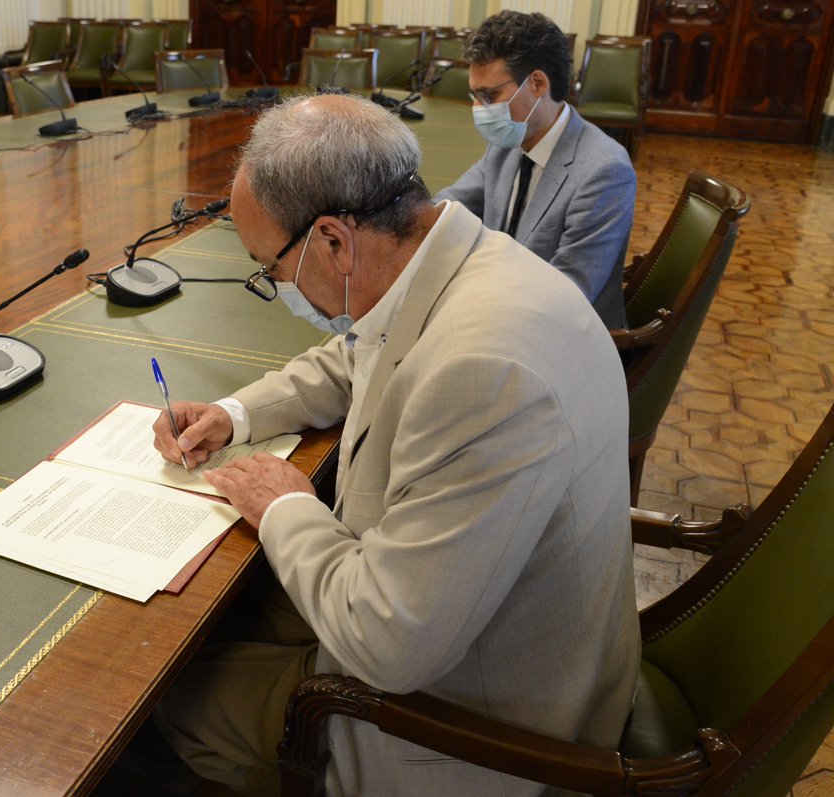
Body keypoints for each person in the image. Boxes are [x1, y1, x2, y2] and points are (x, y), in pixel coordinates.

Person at [146, 93, 640, 796]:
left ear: (333, 241)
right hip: (481, 622)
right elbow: (356, 356)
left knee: (158, 695)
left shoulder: (483, 372)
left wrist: (286, 504)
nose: (277, 285)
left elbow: (389, 644)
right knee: (216, 613)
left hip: (484, 731)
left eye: (272, 269)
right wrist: (233, 414)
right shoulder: (459, 259)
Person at [433, 10, 636, 328]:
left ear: (538, 83)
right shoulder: (507, 142)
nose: (478, 109)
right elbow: (449, 206)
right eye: (474, 95)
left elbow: (567, 296)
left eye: (489, 95)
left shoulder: (604, 172)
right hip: (501, 306)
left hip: (562, 338)